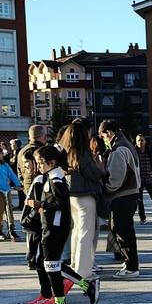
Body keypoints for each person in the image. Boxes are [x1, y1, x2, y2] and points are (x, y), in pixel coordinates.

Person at [24, 145, 99, 304]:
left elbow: (60, 203)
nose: (38, 166)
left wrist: (39, 205)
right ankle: (85, 287)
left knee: (51, 265)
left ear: (52, 162)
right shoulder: (52, 176)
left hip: (54, 228)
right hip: (52, 226)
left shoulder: (56, 178)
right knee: (51, 264)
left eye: (41, 163)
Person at [59, 118, 106, 284]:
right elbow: (94, 173)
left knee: (77, 232)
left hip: (71, 196)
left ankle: (74, 265)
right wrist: (100, 168)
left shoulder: (65, 151)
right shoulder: (82, 153)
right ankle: (83, 271)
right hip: (85, 196)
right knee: (86, 233)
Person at [99, 120, 142, 277]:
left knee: (123, 232)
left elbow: (115, 179)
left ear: (109, 133)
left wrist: (104, 187)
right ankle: (130, 262)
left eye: (103, 136)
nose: (104, 139)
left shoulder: (118, 149)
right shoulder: (127, 144)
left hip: (123, 196)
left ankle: (131, 266)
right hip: (130, 194)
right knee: (125, 230)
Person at [15, 128, 45, 211]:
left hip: (27, 187)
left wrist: (24, 185)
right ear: (44, 137)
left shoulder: (22, 151)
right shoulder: (41, 150)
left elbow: (19, 171)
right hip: (41, 189)